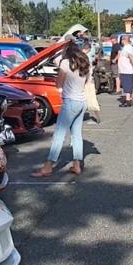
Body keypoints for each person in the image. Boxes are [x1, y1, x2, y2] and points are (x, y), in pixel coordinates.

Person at [32, 43, 92, 177]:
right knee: (77, 135)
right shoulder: (86, 63)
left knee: (59, 135)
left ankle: (48, 166)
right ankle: (77, 164)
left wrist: (62, 85)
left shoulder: (65, 63)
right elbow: (88, 82)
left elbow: (59, 83)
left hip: (70, 102)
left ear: (67, 52)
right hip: (82, 101)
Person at [117, 35, 133, 108]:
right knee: (128, 85)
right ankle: (129, 99)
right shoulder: (130, 47)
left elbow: (131, 57)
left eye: (121, 40)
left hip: (126, 69)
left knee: (126, 85)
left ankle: (127, 101)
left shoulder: (127, 48)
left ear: (124, 40)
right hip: (126, 69)